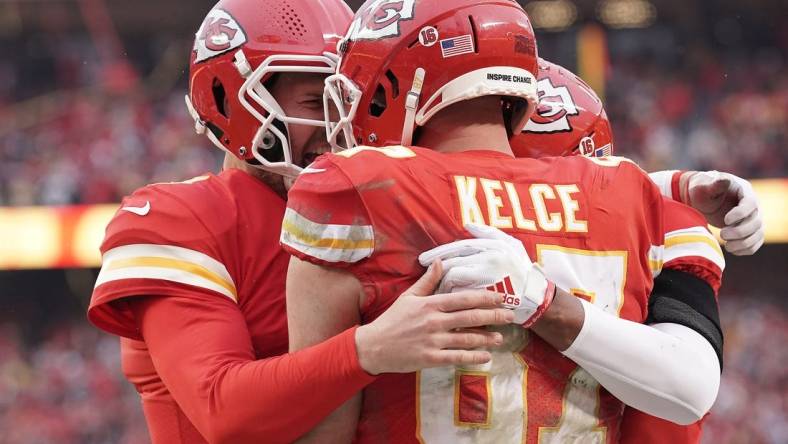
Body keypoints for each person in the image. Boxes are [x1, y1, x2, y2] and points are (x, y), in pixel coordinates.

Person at [283, 0, 722, 442]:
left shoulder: (355, 187)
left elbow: (322, 427)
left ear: (403, 82)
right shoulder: (628, 190)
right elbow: (687, 394)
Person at [87, 1, 514, 443]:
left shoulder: (385, 202)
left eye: (348, 102)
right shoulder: (182, 218)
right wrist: (368, 349)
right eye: (316, 102)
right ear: (229, 97)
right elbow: (222, 410)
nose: (337, 124)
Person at [513, 57, 760, 444]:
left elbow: (686, 388)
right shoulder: (660, 222)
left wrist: (543, 302)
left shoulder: (446, 219)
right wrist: (675, 187)